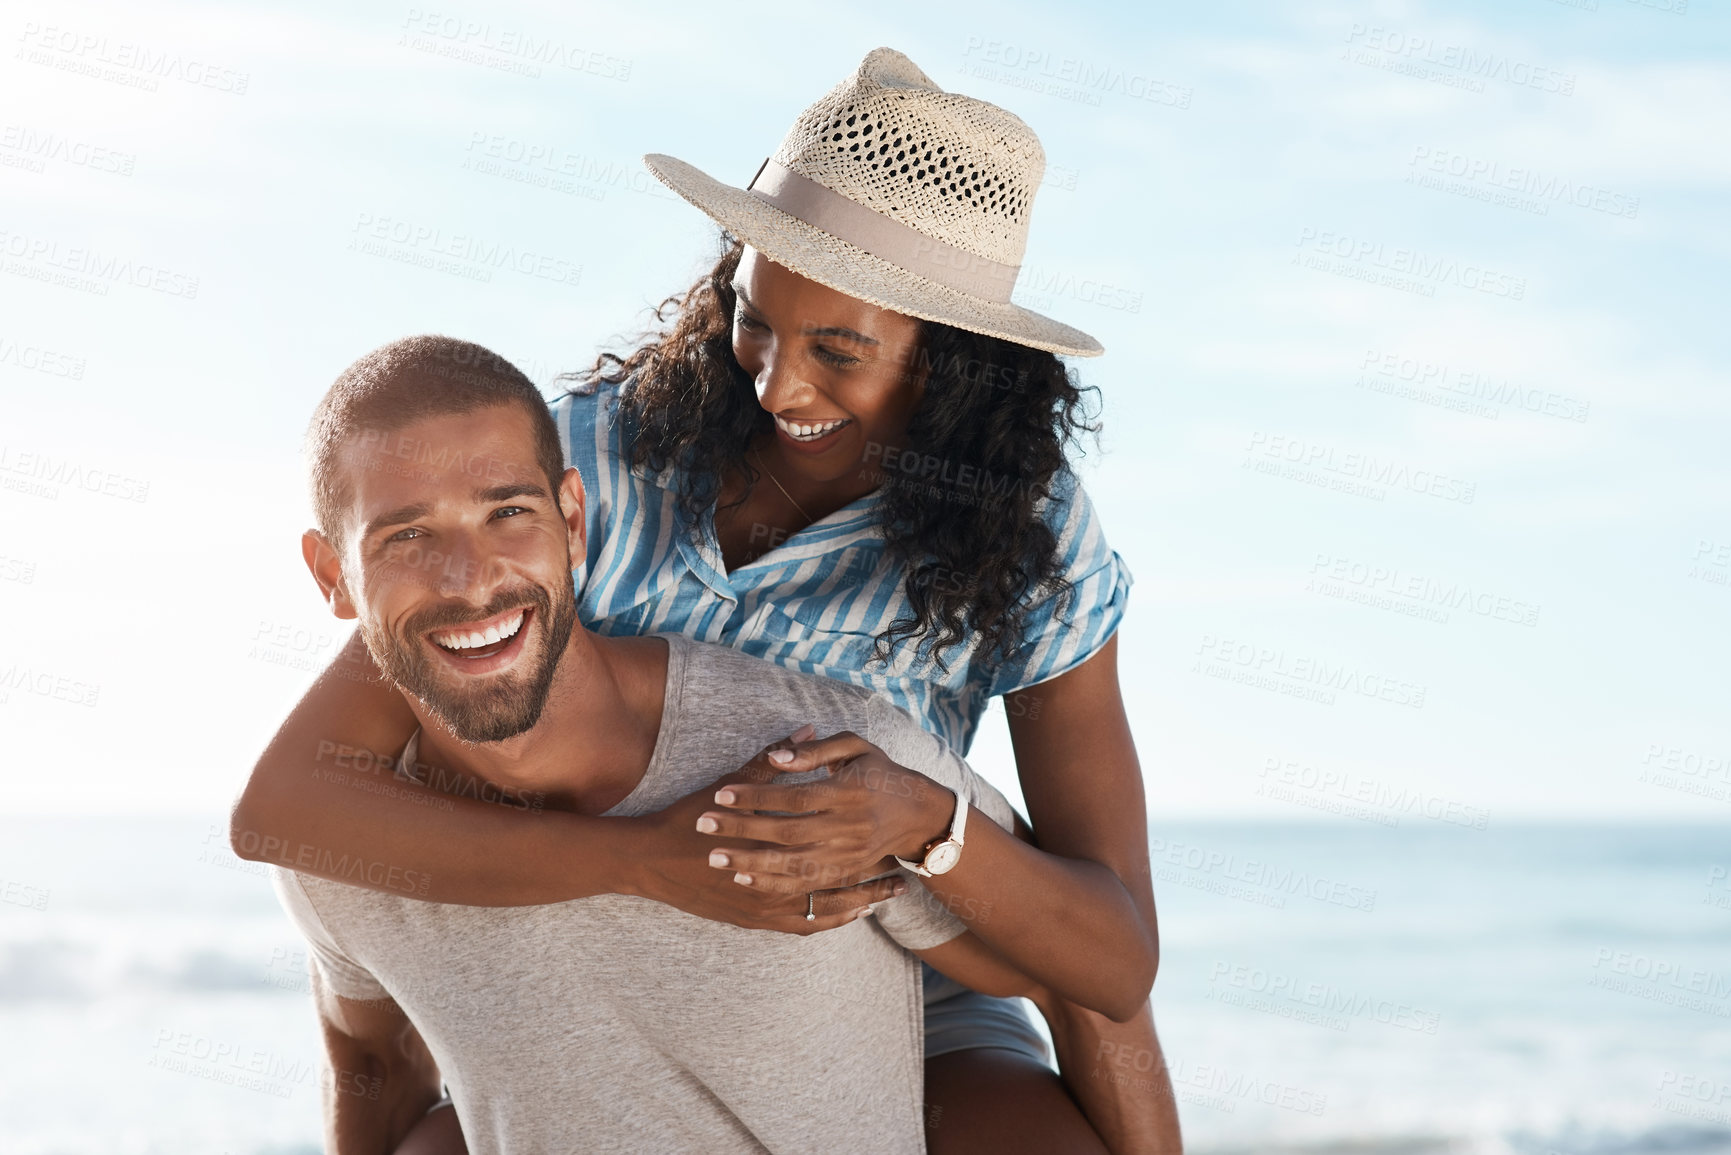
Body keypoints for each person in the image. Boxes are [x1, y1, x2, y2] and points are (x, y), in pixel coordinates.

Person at [233, 48, 1180, 1153]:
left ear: (955, 366)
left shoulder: (1030, 537)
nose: (776, 384)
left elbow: (1106, 951)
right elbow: (295, 802)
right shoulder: (591, 462)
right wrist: (645, 865)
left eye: (839, 350)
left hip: (897, 954)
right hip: (605, 932)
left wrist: (923, 820)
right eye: (755, 320)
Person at [274, 335, 1145, 1153]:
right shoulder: (612, 439)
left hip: (904, 903)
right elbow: (366, 1054)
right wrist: (641, 858)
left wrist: (924, 820)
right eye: (407, 537)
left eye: (508, 511)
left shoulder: (828, 751)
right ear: (331, 575)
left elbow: (1093, 973)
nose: (469, 577)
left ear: (573, 522)